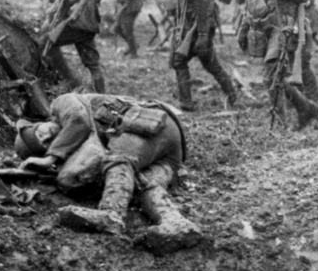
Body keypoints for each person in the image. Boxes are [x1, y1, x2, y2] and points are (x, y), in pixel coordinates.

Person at [14, 91, 202, 252]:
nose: (48, 136)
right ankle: (175, 223)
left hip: (149, 122)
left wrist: (49, 158)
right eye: (44, 144)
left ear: (39, 123)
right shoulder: (72, 147)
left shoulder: (62, 103)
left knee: (118, 159)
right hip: (167, 149)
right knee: (145, 185)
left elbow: (79, 119)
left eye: (40, 132)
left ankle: (112, 214)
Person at [238, 0, 318, 128]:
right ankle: (306, 107)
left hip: (282, 27)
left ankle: (280, 126)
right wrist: (244, 28)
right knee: (275, 77)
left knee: (272, 76)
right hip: (262, 27)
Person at [163, 0, 238, 110]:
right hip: (193, 26)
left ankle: (186, 102)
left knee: (180, 61)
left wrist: (203, 35)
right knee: (210, 64)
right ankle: (233, 96)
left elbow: (203, 7)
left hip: (198, 26)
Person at [42, 0, 107, 92]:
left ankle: (70, 79)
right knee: (92, 63)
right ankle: (101, 95)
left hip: (80, 22)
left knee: (46, 42)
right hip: (81, 24)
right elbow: (57, 2)